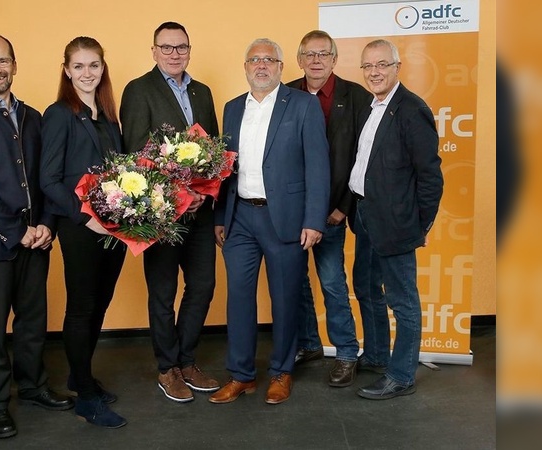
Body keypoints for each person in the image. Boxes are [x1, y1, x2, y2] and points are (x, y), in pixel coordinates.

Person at [0, 33, 73, 439]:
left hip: (36, 238)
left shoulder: (34, 117)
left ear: (15, 64)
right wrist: (16, 230)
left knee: (32, 322)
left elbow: (46, 179)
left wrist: (47, 228)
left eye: (2, 61)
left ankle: (34, 386)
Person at [209, 38, 330, 405]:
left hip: (287, 219)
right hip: (239, 217)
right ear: (245, 67)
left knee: (285, 299)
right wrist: (219, 216)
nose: (261, 65)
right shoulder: (231, 108)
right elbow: (221, 168)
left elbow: (319, 167)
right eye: (254, 60)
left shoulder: (304, 106)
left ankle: (281, 372)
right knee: (240, 299)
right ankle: (241, 375)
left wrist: (313, 220)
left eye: (269, 60)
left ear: (280, 66)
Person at [120, 21, 220, 403]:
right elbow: (135, 153)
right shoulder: (138, 89)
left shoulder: (203, 91)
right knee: (162, 294)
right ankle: (167, 369)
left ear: (189, 50)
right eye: (167, 47)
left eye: (181, 47)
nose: (174, 53)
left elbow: (210, 152)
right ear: (154, 50)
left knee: (202, 287)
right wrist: (180, 195)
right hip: (162, 216)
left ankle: (187, 360)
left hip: (200, 212)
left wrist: (202, 194)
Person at [40, 36, 127, 428]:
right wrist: (84, 216)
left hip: (114, 227)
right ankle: (86, 400)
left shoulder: (108, 116)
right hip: (81, 228)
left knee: (100, 304)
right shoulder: (59, 114)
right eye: (79, 66)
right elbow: (49, 179)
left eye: (94, 65)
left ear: (103, 68)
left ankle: (80, 375)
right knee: (82, 307)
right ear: (66, 70)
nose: (87, 73)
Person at [349, 39, 443, 400]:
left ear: (396, 67)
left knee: (402, 301)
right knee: (367, 288)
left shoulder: (410, 109)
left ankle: (401, 375)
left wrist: (420, 226)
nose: (374, 72)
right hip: (366, 215)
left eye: (382, 65)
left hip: (395, 223)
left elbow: (431, 177)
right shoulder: (373, 107)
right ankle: (375, 354)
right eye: (368, 66)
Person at [285, 30, 372, 388]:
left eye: (323, 54)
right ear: (299, 59)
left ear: (335, 59)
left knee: (333, 283)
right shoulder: (285, 94)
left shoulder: (356, 97)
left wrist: (342, 206)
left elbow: (363, 158)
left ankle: (348, 353)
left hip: (332, 212)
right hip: (291, 212)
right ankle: (308, 343)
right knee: (296, 283)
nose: (316, 61)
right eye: (309, 54)